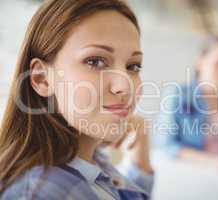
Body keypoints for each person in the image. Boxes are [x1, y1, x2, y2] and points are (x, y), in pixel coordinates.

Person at [0, 0, 153, 199]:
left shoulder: (91, 163)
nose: (125, 87)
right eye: (95, 62)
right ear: (42, 79)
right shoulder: (39, 193)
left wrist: (141, 153)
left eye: (133, 66)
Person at [158, 35, 218, 165]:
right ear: (200, 61)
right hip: (190, 173)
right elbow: (167, 145)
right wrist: (212, 161)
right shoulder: (177, 95)